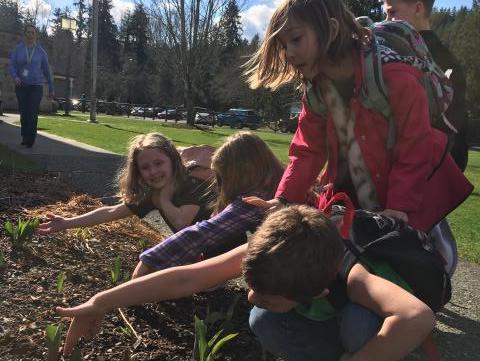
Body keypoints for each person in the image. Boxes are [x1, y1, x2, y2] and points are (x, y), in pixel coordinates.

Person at [56, 205, 435, 361]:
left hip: (377, 319)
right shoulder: (275, 249)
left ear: (316, 291)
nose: (251, 295)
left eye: (266, 293)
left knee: (359, 326)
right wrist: (101, 301)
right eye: (252, 285)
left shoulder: (353, 276)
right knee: (263, 319)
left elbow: (418, 316)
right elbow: (187, 277)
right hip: (324, 308)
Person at [242, 0, 472, 234]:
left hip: (407, 202)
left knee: (404, 261)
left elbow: (414, 144)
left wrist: (399, 207)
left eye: (296, 39)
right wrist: (284, 200)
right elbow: (307, 150)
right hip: (351, 199)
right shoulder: (317, 91)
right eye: (284, 45)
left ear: (331, 30)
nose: (289, 53)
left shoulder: (394, 74)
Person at [132, 131, 285, 278]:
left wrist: (150, 259)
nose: (220, 184)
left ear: (239, 173)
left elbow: (203, 233)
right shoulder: (285, 187)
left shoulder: (253, 200)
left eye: (223, 176)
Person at [37, 132, 215, 237]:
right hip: (195, 249)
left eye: (159, 163)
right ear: (138, 172)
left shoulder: (191, 183)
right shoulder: (154, 193)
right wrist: (66, 223)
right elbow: (111, 212)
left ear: (173, 160)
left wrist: (164, 199)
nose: (153, 171)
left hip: (219, 249)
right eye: (145, 167)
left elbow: (182, 224)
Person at [383, 0, 469, 172]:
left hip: (420, 177)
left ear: (418, 8)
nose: (386, 20)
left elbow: (452, 135)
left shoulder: (443, 63)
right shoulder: (392, 51)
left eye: (392, 13)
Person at [8, 24, 54, 148]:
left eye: (32, 32)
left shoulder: (41, 52)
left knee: (33, 112)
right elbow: (12, 65)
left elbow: (46, 71)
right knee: (24, 112)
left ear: (35, 35)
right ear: (24, 35)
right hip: (21, 86)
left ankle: (31, 139)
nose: (30, 35)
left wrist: (51, 88)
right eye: (28, 32)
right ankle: (25, 136)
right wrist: (15, 77)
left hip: (36, 86)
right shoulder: (18, 50)